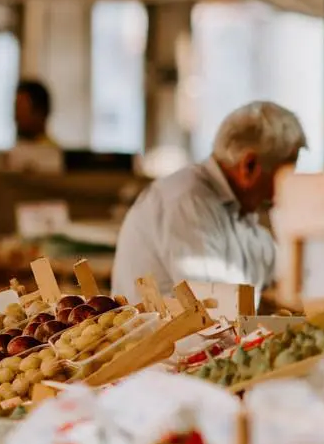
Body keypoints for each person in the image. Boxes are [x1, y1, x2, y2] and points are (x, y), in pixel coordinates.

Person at [112, 101, 306, 300]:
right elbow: (218, 308)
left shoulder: (239, 211)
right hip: (169, 332)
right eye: (283, 175)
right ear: (249, 166)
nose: (284, 189)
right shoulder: (187, 203)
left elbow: (283, 270)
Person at [6, 80, 64, 174]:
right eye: (15, 110)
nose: (16, 117)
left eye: (21, 110)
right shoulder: (14, 153)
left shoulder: (53, 156)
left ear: (40, 113)